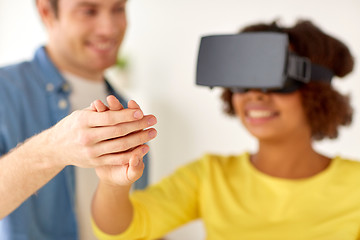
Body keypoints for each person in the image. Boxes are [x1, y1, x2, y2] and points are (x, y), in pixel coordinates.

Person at [91, 19, 360, 240]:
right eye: (243, 81)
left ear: (317, 91)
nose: (255, 95)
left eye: (276, 81)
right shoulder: (209, 176)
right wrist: (112, 184)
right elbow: (124, 230)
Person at [0, 0, 157, 239]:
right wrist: (53, 149)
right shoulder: (5, 91)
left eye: (118, 9)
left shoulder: (129, 111)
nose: (109, 29)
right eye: (89, 11)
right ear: (46, 12)